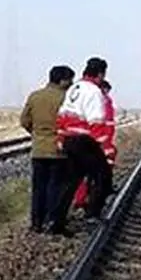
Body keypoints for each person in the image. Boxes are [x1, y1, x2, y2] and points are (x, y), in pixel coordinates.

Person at [46, 56, 112, 235]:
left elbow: (61, 116)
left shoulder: (74, 88)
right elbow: (97, 123)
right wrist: (106, 150)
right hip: (85, 141)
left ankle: (56, 221)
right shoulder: (94, 92)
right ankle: (92, 215)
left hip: (69, 140)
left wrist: (60, 139)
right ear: (100, 74)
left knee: (70, 181)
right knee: (103, 177)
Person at [19, 65, 74, 232]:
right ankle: (53, 221)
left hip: (39, 149)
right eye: (70, 79)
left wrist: (37, 134)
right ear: (62, 80)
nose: (72, 82)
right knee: (56, 187)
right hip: (59, 150)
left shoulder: (35, 96)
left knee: (38, 187)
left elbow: (24, 121)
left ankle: (36, 223)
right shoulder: (66, 98)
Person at [72, 79, 118, 210]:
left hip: (82, 142)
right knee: (99, 175)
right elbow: (107, 125)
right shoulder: (104, 101)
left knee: (81, 173)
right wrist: (107, 146)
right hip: (98, 143)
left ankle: (79, 199)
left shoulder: (82, 98)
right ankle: (93, 207)